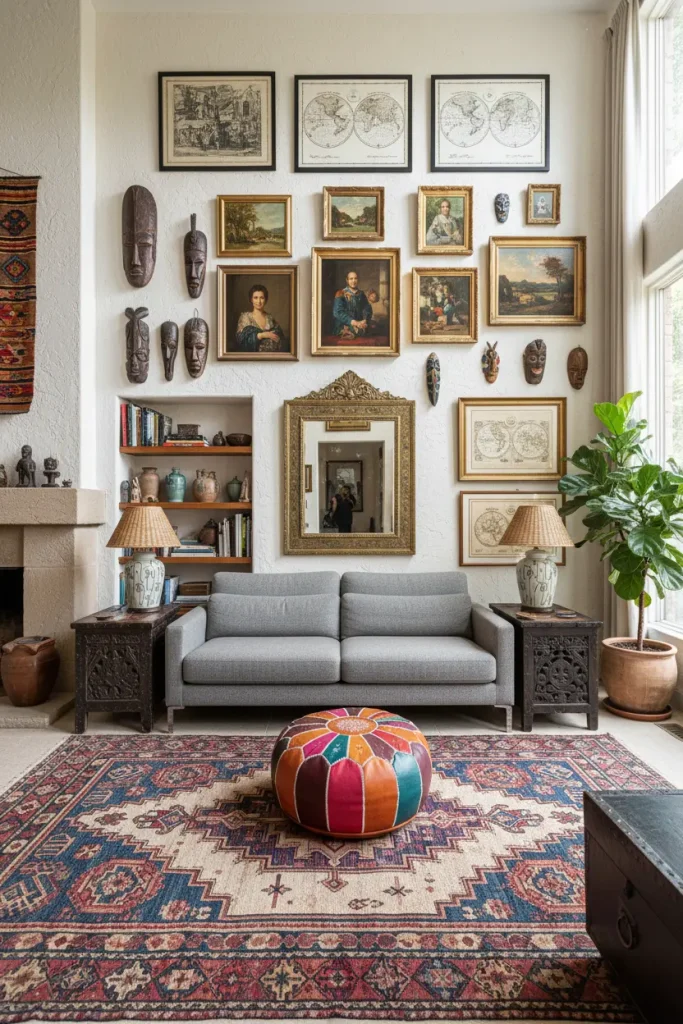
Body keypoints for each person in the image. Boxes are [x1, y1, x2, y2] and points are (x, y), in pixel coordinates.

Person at [235, 284, 285, 352]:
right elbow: (241, 341)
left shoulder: (270, 318)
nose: (259, 301)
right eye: (255, 298)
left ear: (265, 299)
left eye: (262, 298)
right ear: (251, 299)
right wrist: (262, 335)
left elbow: (280, 338)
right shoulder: (245, 317)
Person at [332, 270, 373, 339]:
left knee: (368, 329)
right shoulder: (340, 293)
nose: (353, 281)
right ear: (347, 280)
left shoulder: (361, 294)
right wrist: (354, 322)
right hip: (345, 324)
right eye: (351, 279)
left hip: (359, 323)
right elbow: (338, 312)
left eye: (355, 278)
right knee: (355, 332)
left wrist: (364, 320)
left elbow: (367, 308)